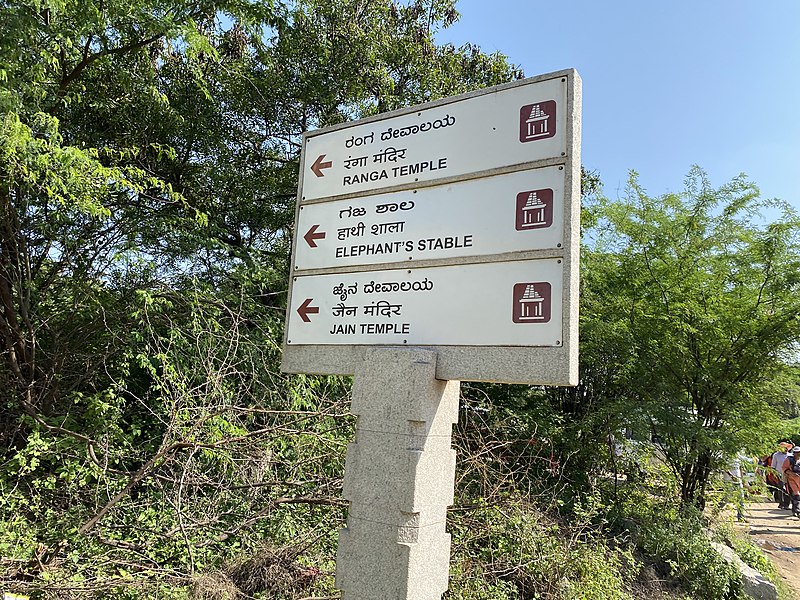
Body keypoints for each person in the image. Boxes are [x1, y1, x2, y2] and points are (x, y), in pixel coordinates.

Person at [771, 442, 793, 510]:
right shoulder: (776, 455)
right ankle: (781, 503)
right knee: (782, 488)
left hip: (788, 474)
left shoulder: (790, 455)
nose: (785, 449)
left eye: (786, 448)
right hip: (780, 473)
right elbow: (773, 466)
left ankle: (786, 504)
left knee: (788, 489)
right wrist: (774, 474)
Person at [781, 445, 800, 518]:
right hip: (791, 480)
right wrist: (792, 473)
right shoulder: (789, 459)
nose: (798, 454)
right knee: (796, 495)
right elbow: (784, 469)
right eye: (797, 452)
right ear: (794, 453)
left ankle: (796, 510)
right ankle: (796, 511)